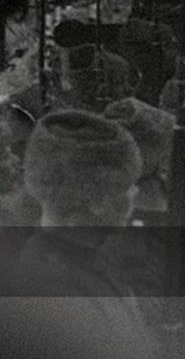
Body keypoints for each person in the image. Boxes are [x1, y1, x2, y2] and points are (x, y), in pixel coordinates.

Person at [0, 110, 156, 358]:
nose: (134, 193)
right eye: (126, 186)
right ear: (97, 200)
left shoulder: (88, 259)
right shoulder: (52, 299)